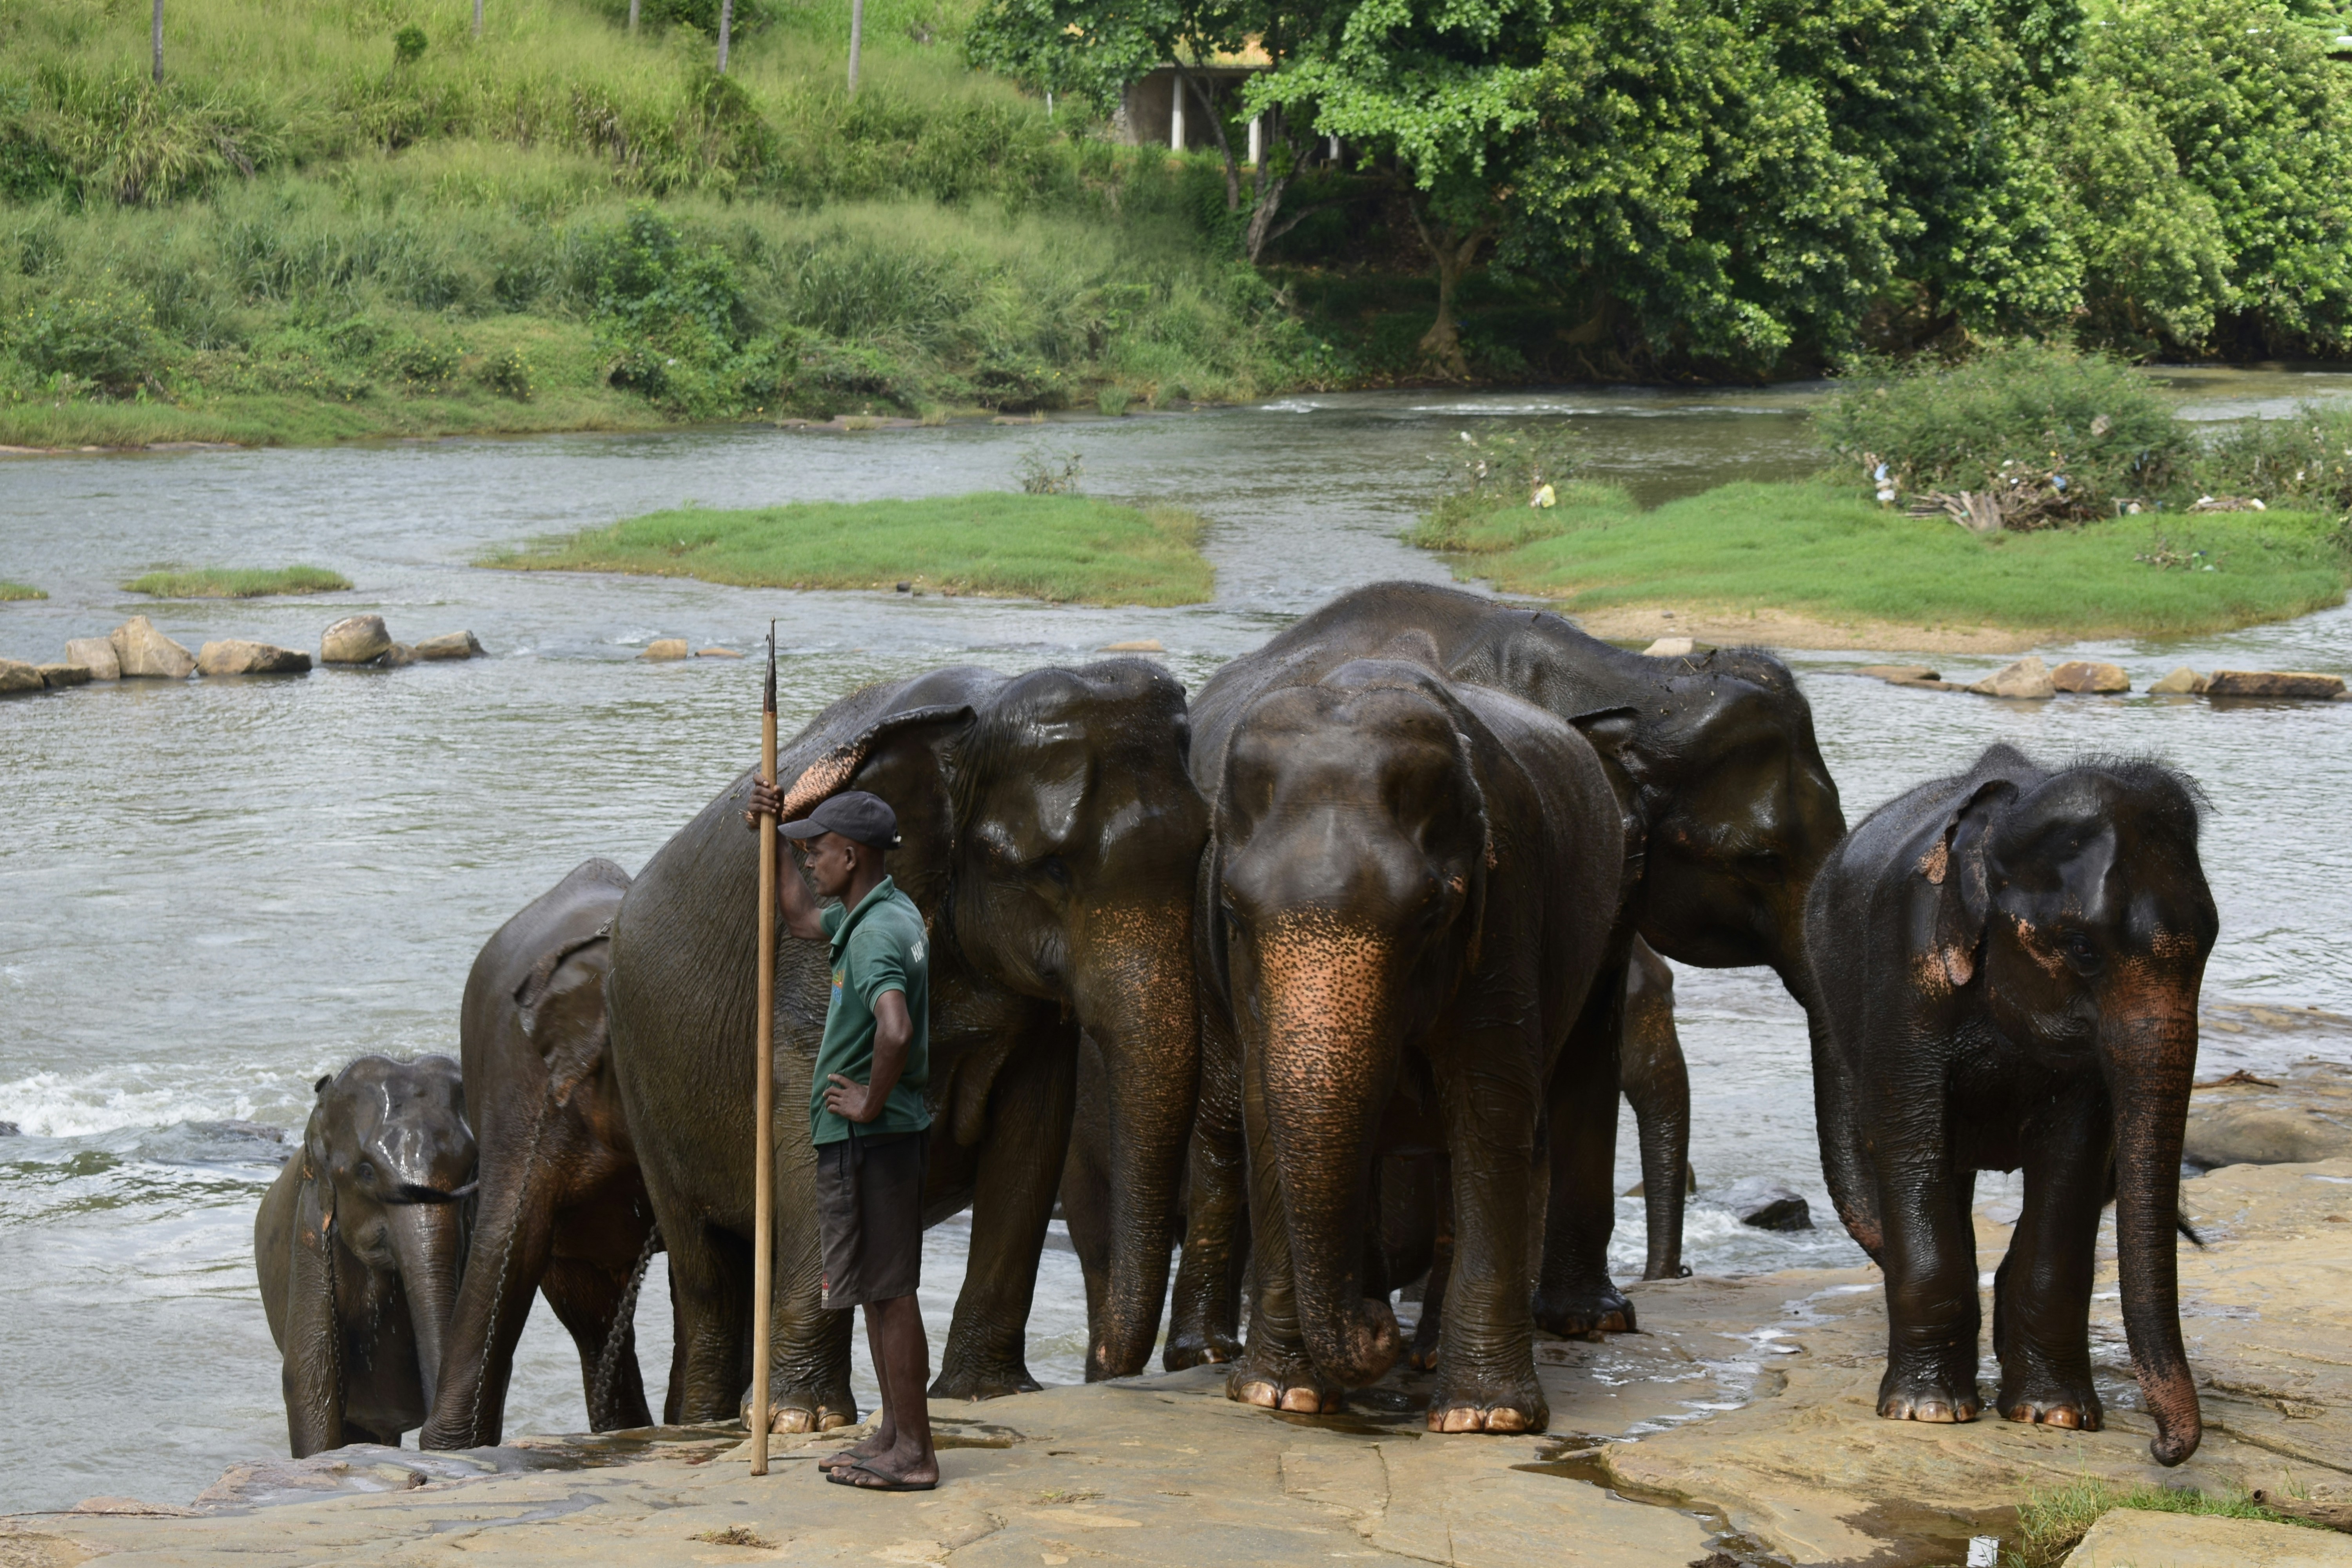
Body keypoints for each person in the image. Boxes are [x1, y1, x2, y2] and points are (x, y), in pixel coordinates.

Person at [745, 782, 938, 1492]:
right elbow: (798, 916)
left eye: (816, 850)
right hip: (887, 1136)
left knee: (889, 1294)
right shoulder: (883, 912)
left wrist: (866, 1100)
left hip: (872, 1140)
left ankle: (913, 1453)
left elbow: (895, 1028)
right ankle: (892, 1433)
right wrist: (770, 835)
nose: (811, 859)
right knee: (879, 1290)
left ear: (850, 855)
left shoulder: (877, 936)